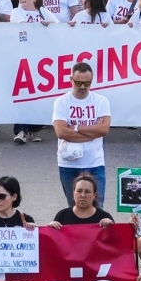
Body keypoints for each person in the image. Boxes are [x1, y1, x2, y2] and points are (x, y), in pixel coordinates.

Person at [50, 60, 112, 206]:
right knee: (74, 208)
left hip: (95, 163)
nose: (83, 87)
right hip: (69, 164)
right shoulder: (62, 102)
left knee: (97, 208)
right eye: (78, 83)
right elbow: (61, 132)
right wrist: (92, 132)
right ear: (71, 80)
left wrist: (76, 128)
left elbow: (103, 130)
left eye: (87, 83)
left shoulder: (101, 101)